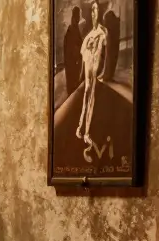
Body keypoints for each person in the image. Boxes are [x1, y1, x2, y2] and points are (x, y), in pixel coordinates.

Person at [77, 0, 109, 147]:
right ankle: (80, 127)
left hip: (96, 71)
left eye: (96, 9)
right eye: (92, 10)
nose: (94, 12)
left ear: (100, 12)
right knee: (86, 93)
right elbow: (84, 59)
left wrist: (103, 72)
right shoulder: (88, 36)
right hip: (89, 70)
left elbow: (106, 54)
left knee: (91, 97)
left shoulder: (103, 32)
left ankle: (86, 133)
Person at [63, 6, 84, 96]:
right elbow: (72, 47)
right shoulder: (71, 30)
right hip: (72, 62)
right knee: (72, 84)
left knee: (74, 83)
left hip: (75, 62)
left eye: (79, 16)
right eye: (77, 16)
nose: (79, 18)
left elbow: (79, 43)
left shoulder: (75, 28)